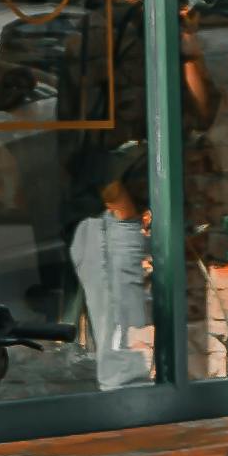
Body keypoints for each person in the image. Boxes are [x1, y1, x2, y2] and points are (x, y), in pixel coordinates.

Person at [70, 147, 154, 394]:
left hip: (117, 219)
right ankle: (128, 391)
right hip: (114, 221)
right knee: (117, 307)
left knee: (118, 308)